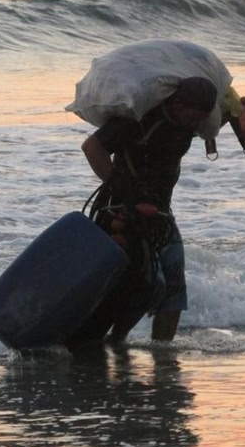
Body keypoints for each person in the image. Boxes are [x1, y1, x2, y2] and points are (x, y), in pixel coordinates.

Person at [64, 76, 218, 349]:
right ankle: (112, 341)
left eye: (201, 119)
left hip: (161, 216)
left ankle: (163, 354)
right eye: (193, 117)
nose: (196, 125)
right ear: (176, 103)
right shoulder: (138, 120)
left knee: (173, 288)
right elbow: (92, 147)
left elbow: (231, 111)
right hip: (121, 214)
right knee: (135, 285)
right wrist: (122, 189)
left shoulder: (191, 125)